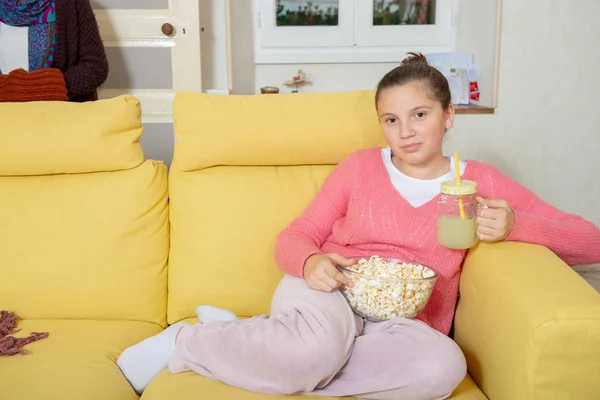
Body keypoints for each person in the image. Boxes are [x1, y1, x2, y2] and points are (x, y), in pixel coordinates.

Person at [116, 53, 600, 399]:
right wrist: (311, 261)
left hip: (403, 321)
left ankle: (264, 348)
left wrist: (515, 224)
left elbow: (589, 239)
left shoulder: (476, 181)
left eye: (420, 115)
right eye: (390, 120)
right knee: (319, 344)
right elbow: (294, 236)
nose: (405, 131)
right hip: (329, 291)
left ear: (449, 116)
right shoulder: (360, 168)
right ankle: (189, 341)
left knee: (442, 367)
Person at [0, 0, 108, 102]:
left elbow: (96, 67)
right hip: (7, 116)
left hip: (60, 115)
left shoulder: (70, 3)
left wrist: (46, 88)